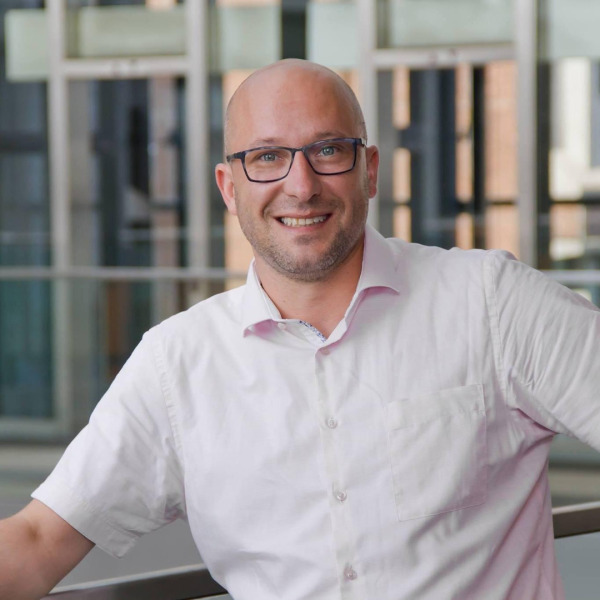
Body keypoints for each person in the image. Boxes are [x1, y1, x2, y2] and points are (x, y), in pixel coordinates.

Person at [0, 59, 599, 600]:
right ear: (229, 188)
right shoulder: (176, 364)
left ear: (369, 170)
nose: (302, 185)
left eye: (328, 150)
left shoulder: (491, 301)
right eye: (267, 157)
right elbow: (38, 540)